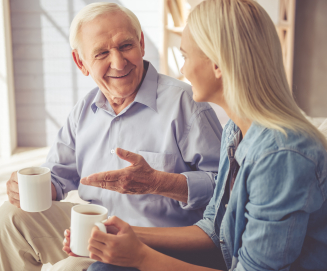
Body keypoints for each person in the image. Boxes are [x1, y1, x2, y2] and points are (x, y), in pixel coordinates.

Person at [62, 0, 327, 270]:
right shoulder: (236, 132)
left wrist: (140, 256)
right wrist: (121, 234)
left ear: (217, 64)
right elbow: (215, 230)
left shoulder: (280, 155)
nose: (181, 70)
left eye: (186, 57)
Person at [0, 3, 223, 271]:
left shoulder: (187, 104)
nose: (119, 62)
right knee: (11, 217)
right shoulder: (84, 110)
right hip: (91, 230)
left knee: (67, 269)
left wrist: (159, 183)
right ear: (81, 62)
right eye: (101, 53)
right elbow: (57, 175)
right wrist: (28, 188)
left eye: (125, 46)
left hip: (157, 244)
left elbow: (226, 189)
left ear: (141, 43)